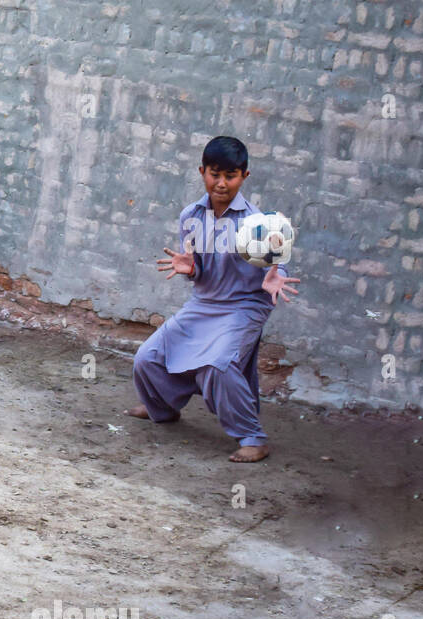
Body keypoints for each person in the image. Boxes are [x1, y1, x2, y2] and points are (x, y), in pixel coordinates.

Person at [126, 135, 301, 463]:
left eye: (230, 176)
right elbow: (199, 271)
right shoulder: (190, 216)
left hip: (245, 306)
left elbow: (276, 265)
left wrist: (275, 273)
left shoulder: (255, 222)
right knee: (146, 359)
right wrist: (191, 269)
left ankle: (253, 437)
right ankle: (161, 408)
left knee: (217, 367)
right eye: (214, 174)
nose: (221, 183)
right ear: (202, 171)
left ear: (244, 177)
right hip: (204, 303)